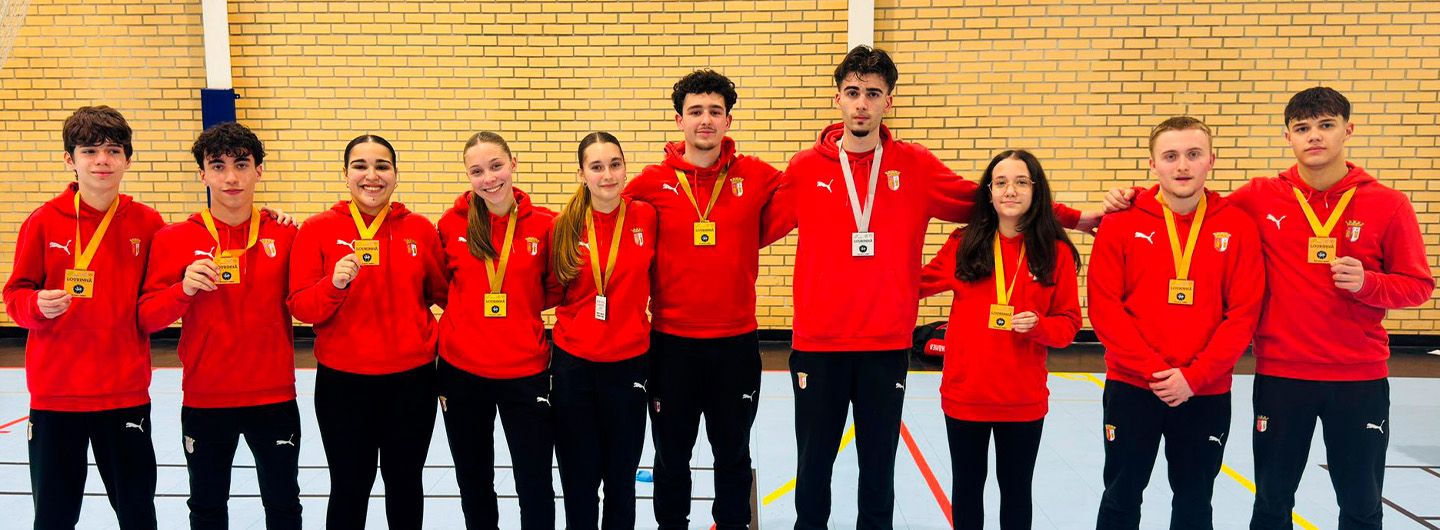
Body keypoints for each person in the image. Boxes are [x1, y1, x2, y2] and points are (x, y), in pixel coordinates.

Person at [764, 45, 1100, 529]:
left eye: (873, 94)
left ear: (889, 101)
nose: (862, 103)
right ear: (838, 98)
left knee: (877, 470)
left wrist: (1075, 218)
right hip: (819, 345)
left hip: (886, 346)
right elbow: (751, 231)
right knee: (813, 467)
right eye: (853, 92)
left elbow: (991, 199)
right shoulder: (804, 169)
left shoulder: (915, 166)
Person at [1103, 89, 1434, 530]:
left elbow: (1419, 286)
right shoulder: (1259, 197)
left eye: (1326, 125)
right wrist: (1130, 198)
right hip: (1281, 377)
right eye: (1303, 128)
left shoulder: (1389, 204)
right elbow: (1189, 202)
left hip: (1358, 377)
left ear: (1348, 130)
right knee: (1272, 504)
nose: (1314, 136)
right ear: (1287, 136)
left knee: (1361, 504)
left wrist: (1369, 283)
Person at [624, 69, 783, 530]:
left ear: (728, 120)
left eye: (715, 111)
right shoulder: (651, 183)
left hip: (735, 345)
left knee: (733, 452)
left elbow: (809, 192)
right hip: (671, 346)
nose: (706, 120)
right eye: (696, 111)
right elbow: (606, 219)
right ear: (680, 120)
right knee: (671, 455)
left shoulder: (756, 175)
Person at [1088, 117, 1263, 530]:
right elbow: (1105, 308)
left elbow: (1243, 313)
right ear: (1153, 164)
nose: (1182, 165)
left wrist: (1194, 377)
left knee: (1194, 501)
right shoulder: (1120, 222)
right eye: (1170, 156)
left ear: (1211, 160)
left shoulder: (1237, 225)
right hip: (1133, 387)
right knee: (1121, 496)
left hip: (1204, 391)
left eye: (1193, 154)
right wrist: (1156, 372)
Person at [4, 105, 163, 530]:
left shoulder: (148, 223)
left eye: (113, 151)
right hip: (56, 395)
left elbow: (159, 296)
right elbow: (15, 295)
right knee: (54, 517)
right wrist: (36, 305)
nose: (102, 161)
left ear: (128, 160)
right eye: (89, 151)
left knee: (137, 514)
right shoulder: (42, 221)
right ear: (69, 159)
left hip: (124, 394)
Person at [137, 121, 302, 529]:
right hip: (206, 398)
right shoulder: (174, 237)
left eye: (241, 164)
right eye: (218, 165)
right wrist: (182, 289)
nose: (231, 177)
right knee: (207, 506)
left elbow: (305, 301)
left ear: (258, 170)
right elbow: (148, 318)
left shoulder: (286, 233)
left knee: (284, 504)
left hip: (274, 396)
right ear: (203, 174)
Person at [287, 134, 447, 530]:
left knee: (405, 484)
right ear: (345, 174)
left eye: (382, 166)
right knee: (349, 486)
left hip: (411, 383)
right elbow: (301, 307)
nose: (371, 176)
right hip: (344, 385)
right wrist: (333, 285)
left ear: (395, 174)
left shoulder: (420, 230)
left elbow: (444, 294)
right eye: (360, 166)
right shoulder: (317, 229)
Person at [919, 150, 1081, 530]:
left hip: (1022, 400)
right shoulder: (963, 242)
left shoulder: (1055, 252)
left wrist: (1039, 326)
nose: (1011, 190)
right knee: (967, 490)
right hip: (965, 396)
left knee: (1016, 492)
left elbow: (1069, 325)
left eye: (1021, 182)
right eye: (1001, 182)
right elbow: (912, 285)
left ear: (1036, 191)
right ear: (989, 192)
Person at [436, 131, 560, 529]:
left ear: (513, 163)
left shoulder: (546, 225)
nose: (489, 178)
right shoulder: (450, 224)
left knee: (534, 482)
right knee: (474, 480)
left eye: (496, 166)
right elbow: (440, 287)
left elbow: (554, 287)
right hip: (462, 373)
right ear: (467, 176)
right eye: (477, 171)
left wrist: (518, 311)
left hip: (525, 372)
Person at [550, 132, 658, 529]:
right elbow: (549, 290)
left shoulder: (647, 217)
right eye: (596, 167)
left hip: (629, 366)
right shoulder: (563, 226)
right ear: (582, 174)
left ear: (625, 168)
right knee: (579, 483)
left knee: (620, 483)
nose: (607, 175)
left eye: (615, 164)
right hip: (573, 368)